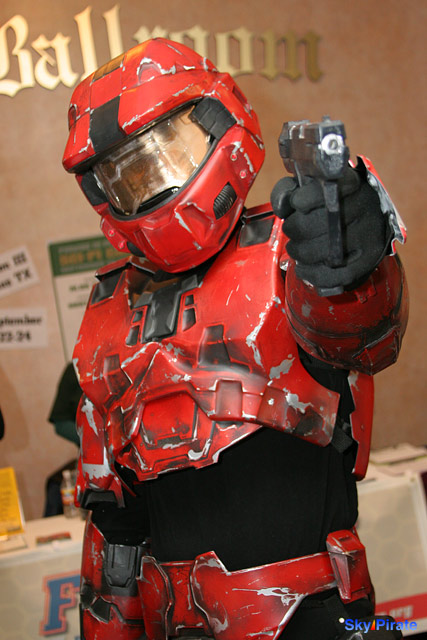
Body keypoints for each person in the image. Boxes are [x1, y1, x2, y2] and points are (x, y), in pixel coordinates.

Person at [62, 38, 408, 640]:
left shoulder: (292, 251)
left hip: (313, 621)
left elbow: (366, 331)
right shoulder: (108, 309)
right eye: (126, 174)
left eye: (167, 150)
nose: (151, 182)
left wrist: (352, 257)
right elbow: (116, 525)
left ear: (219, 121)